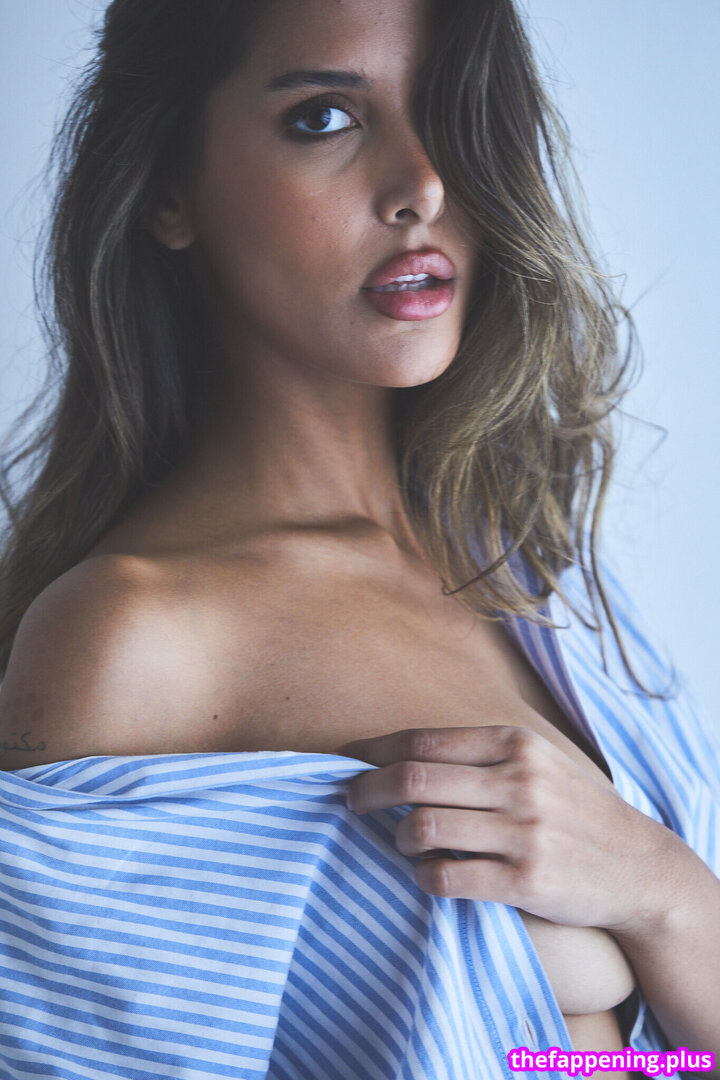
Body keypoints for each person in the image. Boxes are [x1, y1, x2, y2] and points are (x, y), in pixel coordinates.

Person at [0, 1, 718, 1077]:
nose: (423, 184)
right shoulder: (129, 644)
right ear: (167, 189)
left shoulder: (537, 571)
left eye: (449, 111)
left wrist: (665, 892)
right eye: (324, 118)